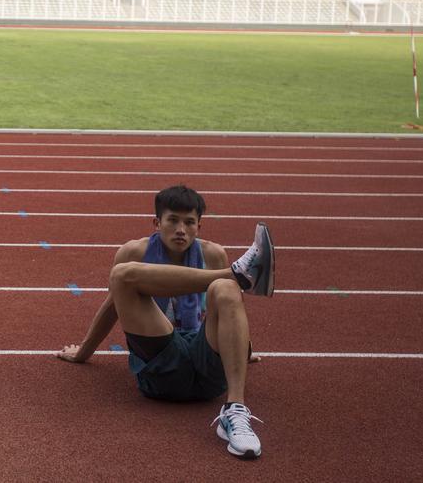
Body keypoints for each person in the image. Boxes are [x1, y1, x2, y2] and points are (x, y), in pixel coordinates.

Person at [57, 185, 275, 460]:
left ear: (199, 226)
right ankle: (238, 275)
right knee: (123, 274)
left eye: (189, 222)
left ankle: (235, 411)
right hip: (161, 368)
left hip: (206, 371)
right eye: (172, 220)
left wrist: (240, 350)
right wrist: (83, 352)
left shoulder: (212, 254)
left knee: (227, 289)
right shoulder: (134, 251)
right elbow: (113, 306)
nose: (181, 229)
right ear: (157, 222)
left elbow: (225, 310)